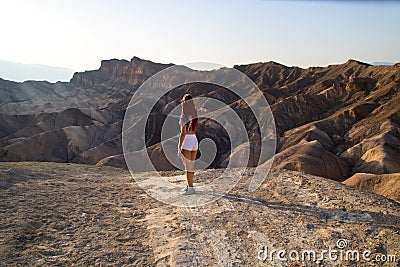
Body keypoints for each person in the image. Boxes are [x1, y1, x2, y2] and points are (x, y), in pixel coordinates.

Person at [178, 94, 199, 195]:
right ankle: (189, 185)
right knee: (191, 166)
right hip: (194, 139)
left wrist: (179, 146)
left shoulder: (183, 116)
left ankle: (191, 188)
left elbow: (183, 132)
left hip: (187, 141)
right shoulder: (195, 113)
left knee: (187, 167)